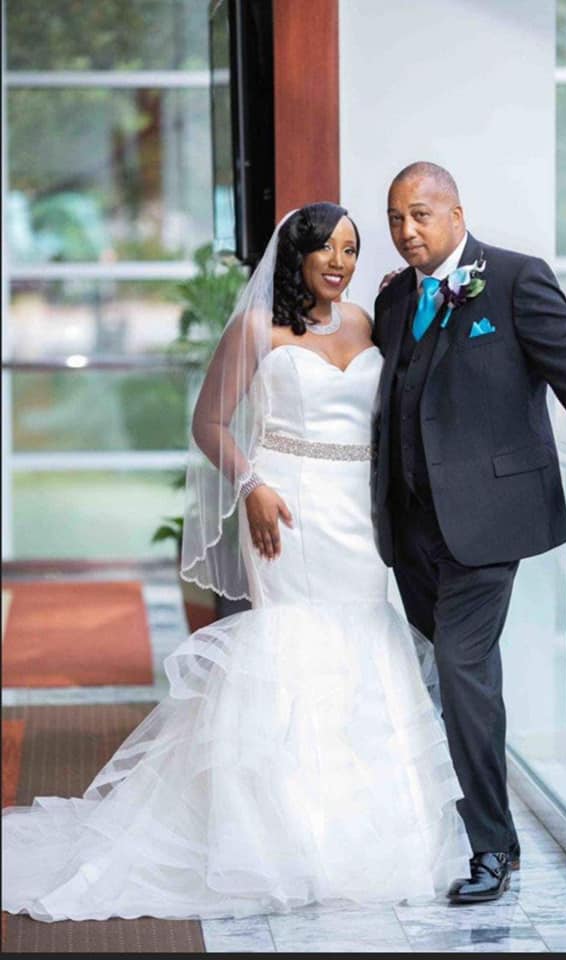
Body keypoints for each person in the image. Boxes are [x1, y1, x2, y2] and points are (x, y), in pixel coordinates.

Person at [2, 202, 472, 923]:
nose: (340, 263)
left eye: (351, 249)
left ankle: (370, 837)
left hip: (357, 514)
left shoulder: (368, 320)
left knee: (361, 649)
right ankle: (288, 841)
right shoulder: (260, 328)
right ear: (297, 258)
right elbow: (208, 421)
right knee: (294, 650)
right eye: (327, 251)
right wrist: (250, 484)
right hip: (284, 506)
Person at [372, 161, 566, 904]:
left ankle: (491, 849)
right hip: (411, 527)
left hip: (490, 522)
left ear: (456, 214)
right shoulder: (394, 300)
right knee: (462, 680)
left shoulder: (516, 278)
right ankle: (480, 829)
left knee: (460, 672)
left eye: (420, 215)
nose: (406, 231)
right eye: (395, 219)